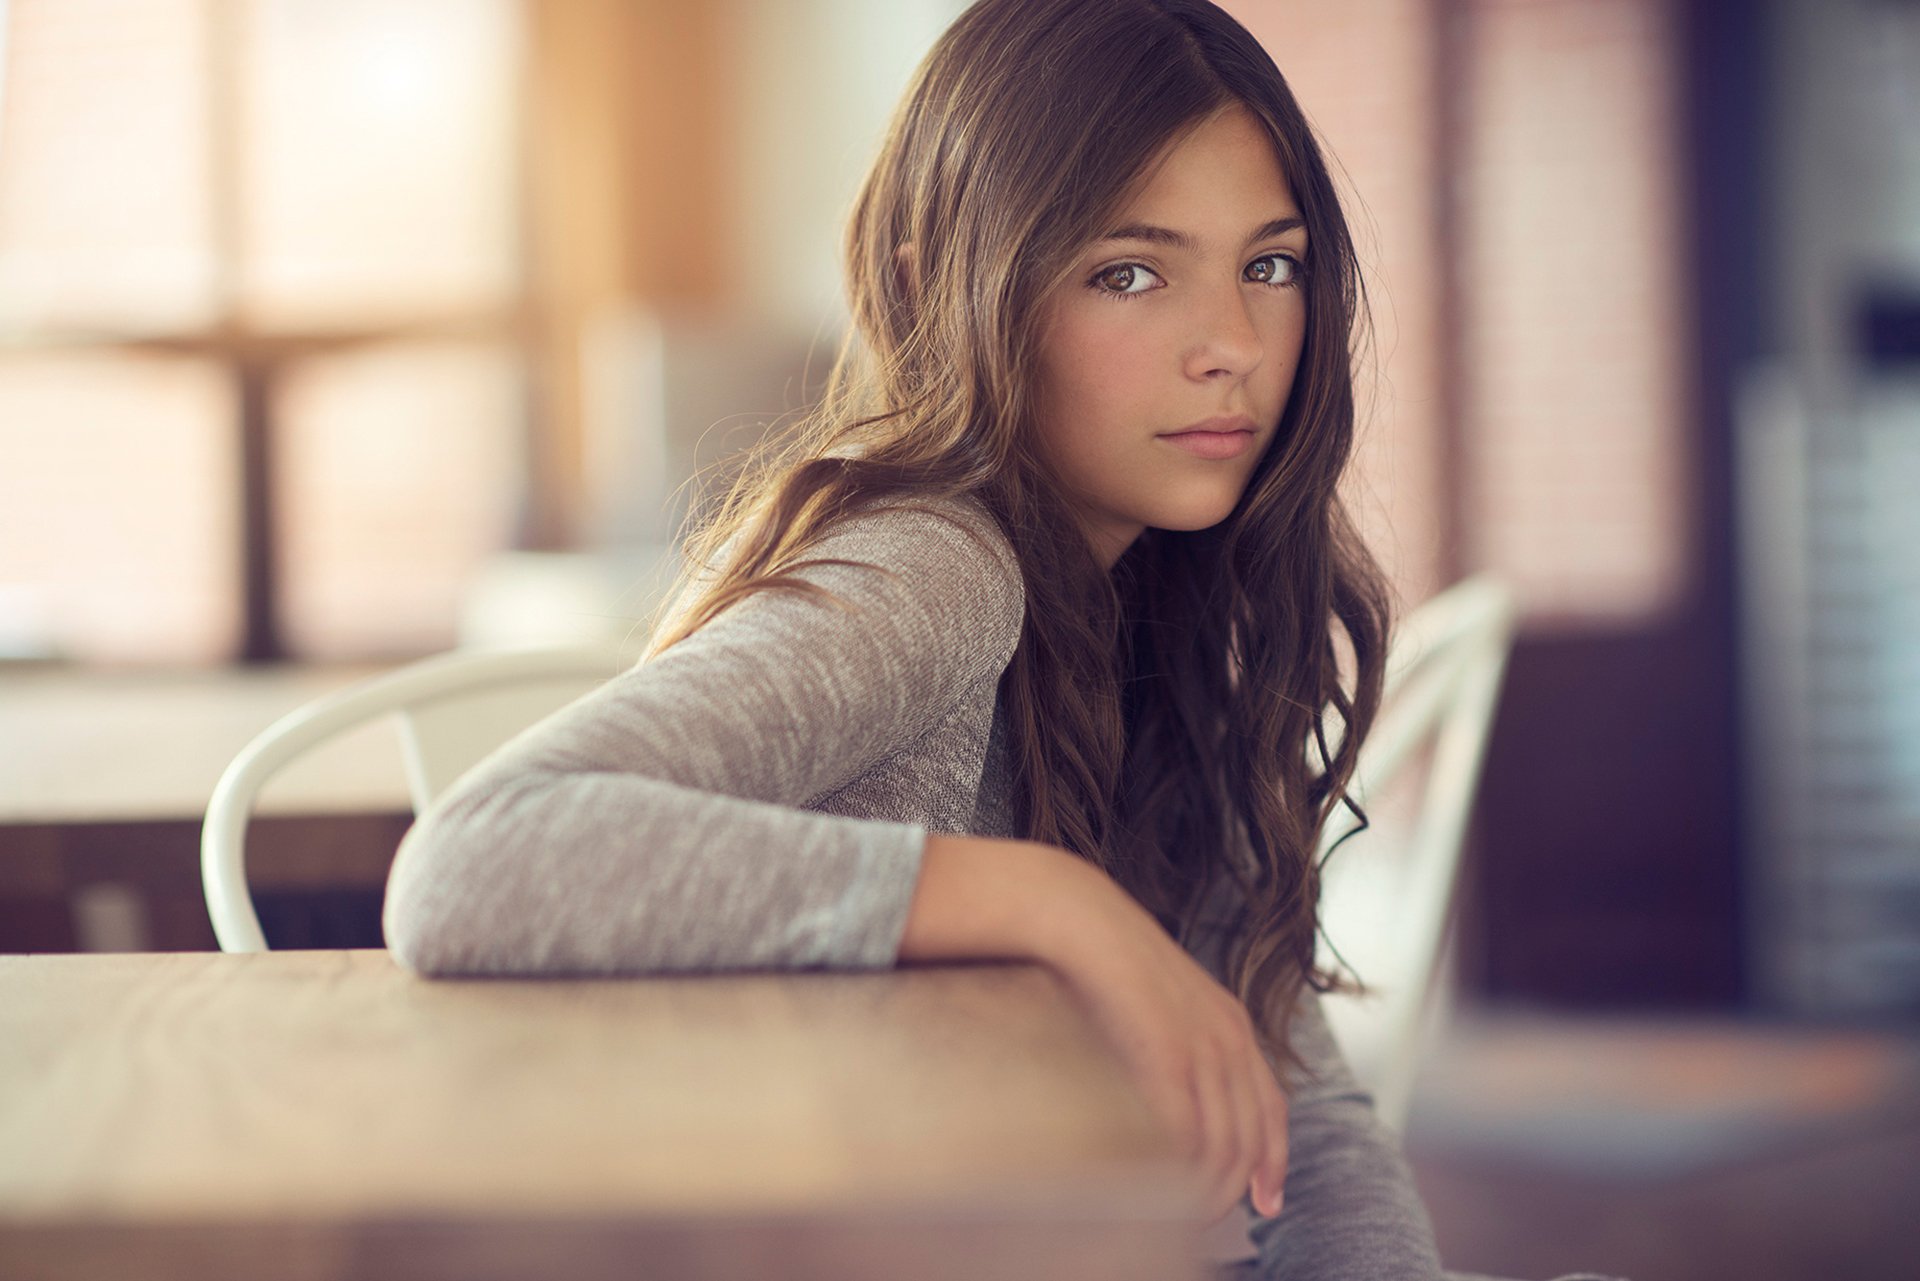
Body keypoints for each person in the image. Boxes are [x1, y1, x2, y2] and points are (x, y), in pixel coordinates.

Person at [383, 3, 1625, 1279]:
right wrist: (1048, 901)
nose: (1234, 349)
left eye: (1271, 265)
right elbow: (475, 858)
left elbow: (1295, 1105)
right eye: (1128, 274)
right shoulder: (938, 569)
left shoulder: (1169, 590)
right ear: (935, 287)